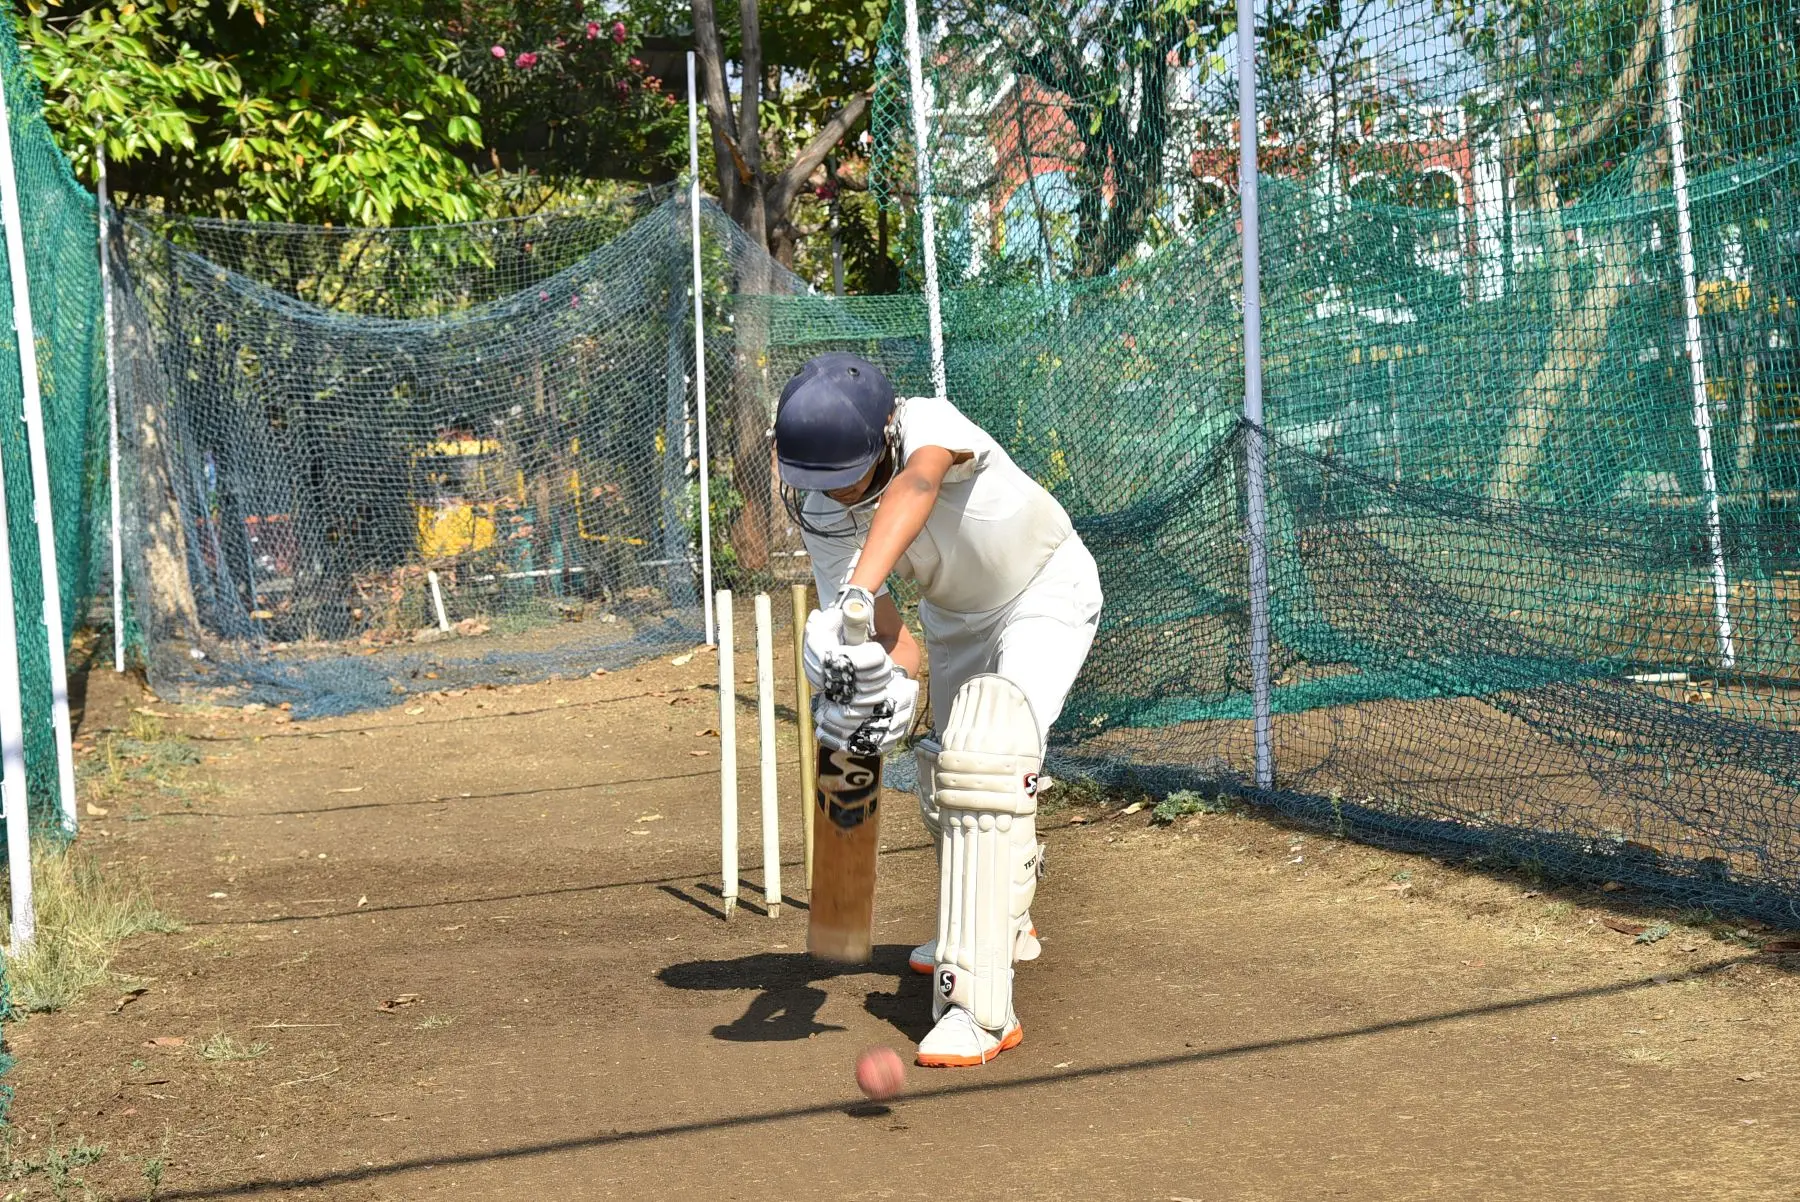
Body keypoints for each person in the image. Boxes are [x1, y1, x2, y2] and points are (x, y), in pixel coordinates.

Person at [775, 352, 1103, 1067]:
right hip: (958, 622)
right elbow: (900, 650)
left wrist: (854, 598)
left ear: (881, 434)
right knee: (943, 774)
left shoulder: (926, 423)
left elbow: (919, 483)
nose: (830, 499)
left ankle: (978, 1010)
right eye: (814, 485)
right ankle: (999, 922)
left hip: (1046, 588)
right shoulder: (827, 519)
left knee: (987, 761)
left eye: (842, 480)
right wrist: (867, 687)